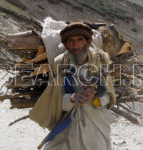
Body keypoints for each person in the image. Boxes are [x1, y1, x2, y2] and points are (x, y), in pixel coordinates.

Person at [29, 22, 116, 150]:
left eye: (80, 40)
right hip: (66, 124)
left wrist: (94, 99)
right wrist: (72, 98)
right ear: (65, 44)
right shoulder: (59, 62)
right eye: (71, 41)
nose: (76, 45)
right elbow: (54, 97)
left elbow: (109, 96)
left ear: (88, 40)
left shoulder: (100, 60)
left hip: (95, 127)